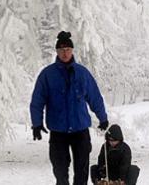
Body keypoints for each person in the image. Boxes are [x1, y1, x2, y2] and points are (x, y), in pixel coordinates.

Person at [30, 31, 109, 185]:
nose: (64, 53)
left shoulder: (82, 73)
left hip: (80, 130)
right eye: (61, 50)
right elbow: (37, 100)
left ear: (72, 50)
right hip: (58, 131)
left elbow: (95, 97)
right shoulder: (47, 75)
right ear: (57, 52)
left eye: (67, 49)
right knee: (60, 171)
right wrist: (36, 123)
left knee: (82, 170)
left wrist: (103, 118)